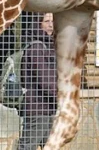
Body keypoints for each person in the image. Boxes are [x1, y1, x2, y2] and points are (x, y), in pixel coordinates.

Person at [17, 13, 57, 150]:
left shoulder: (49, 45)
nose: (50, 24)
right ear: (38, 24)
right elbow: (45, 80)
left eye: (52, 21)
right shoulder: (36, 48)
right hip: (37, 109)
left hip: (48, 107)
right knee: (27, 146)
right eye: (46, 21)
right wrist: (63, 96)